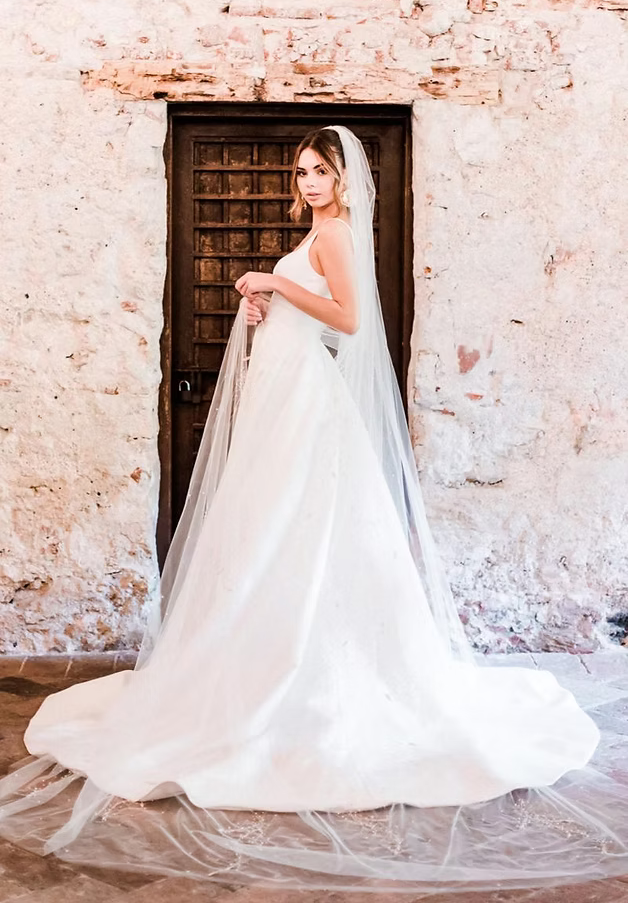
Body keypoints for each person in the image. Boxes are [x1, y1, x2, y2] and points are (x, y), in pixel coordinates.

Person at [0, 125, 627, 894]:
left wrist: (270, 281)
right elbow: (314, 315)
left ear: (341, 177)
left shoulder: (334, 233)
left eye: (317, 171)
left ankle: (314, 676)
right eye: (300, 172)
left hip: (308, 407)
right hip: (289, 392)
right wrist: (271, 307)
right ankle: (256, 659)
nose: (307, 183)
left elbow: (352, 322)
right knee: (270, 530)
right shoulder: (316, 231)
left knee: (304, 526)